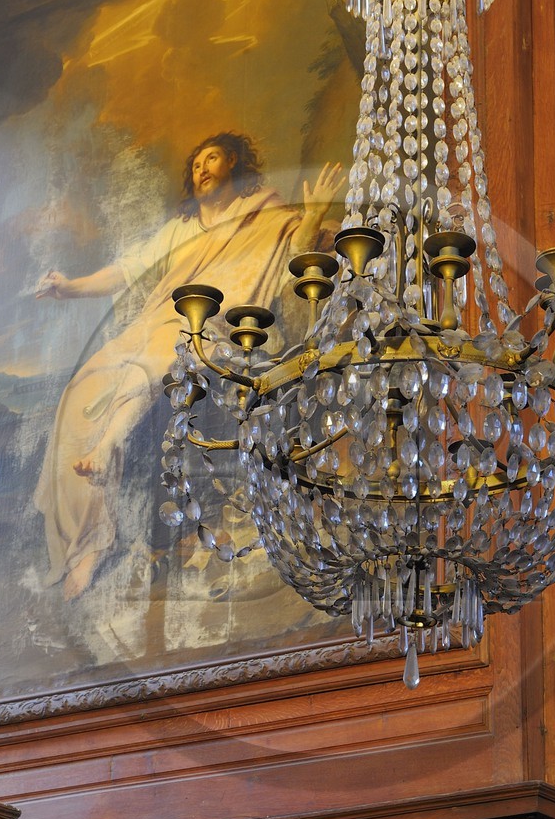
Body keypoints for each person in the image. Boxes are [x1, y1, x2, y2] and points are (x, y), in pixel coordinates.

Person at [34, 133, 343, 600]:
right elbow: (126, 269)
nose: (201, 169)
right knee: (80, 391)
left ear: (235, 164)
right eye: (196, 163)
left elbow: (294, 257)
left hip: (213, 329)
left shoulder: (267, 215)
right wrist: (69, 288)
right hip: (153, 322)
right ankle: (90, 541)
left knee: (164, 351)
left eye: (212, 158)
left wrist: (314, 217)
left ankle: (108, 447)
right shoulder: (180, 229)